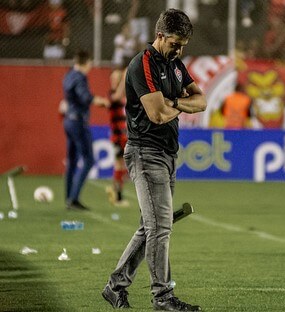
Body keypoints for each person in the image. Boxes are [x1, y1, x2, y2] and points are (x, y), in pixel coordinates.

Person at [102, 9, 206, 311]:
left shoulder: (175, 64)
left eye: (184, 44)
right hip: (146, 153)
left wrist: (174, 102)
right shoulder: (142, 65)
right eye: (175, 43)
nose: (180, 50)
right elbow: (157, 114)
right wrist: (180, 105)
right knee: (160, 227)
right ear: (159, 36)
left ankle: (115, 286)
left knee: (151, 226)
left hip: (167, 154)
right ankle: (163, 297)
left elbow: (201, 100)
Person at [63, 50, 110, 211]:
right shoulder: (80, 77)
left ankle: (69, 197)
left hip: (68, 120)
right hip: (78, 122)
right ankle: (74, 199)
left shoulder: (69, 75)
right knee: (88, 160)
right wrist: (101, 101)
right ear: (86, 62)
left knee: (72, 161)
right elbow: (84, 96)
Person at [105, 57, 131, 207]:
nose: (115, 80)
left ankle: (115, 192)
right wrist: (124, 78)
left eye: (117, 78)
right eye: (113, 78)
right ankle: (117, 196)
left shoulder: (124, 97)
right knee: (120, 165)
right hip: (117, 137)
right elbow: (117, 96)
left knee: (123, 167)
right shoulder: (113, 95)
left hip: (125, 136)